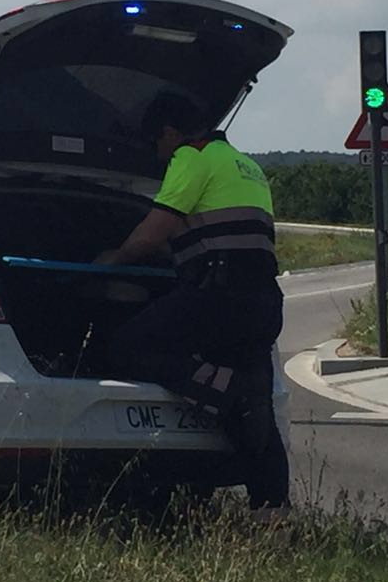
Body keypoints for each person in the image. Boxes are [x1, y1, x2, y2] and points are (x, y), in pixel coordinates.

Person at [97, 92, 290, 509]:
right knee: (259, 414)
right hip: (263, 301)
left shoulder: (191, 157)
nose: (159, 154)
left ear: (170, 133)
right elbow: (220, 232)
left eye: (157, 144)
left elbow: (149, 235)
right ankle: (273, 513)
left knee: (128, 346)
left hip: (217, 297)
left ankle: (226, 391)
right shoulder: (246, 164)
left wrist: (112, 260)